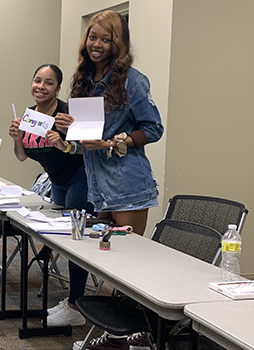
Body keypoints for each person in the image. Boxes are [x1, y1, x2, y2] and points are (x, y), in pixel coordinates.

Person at [65, 10, 164, 350]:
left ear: (117, 44)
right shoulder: (83, 80)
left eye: (106, 39)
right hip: (97, 184)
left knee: (128, 265)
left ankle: (135, 336)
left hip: (128, 186)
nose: (97, 44)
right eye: (93, 37)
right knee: (105, 262)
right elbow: (84, 138)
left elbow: (153, 129)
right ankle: (120, 336)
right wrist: (68, 132)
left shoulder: (134, 81)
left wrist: (111, 142)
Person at [8, 64, 93, 328]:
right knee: (61, 240)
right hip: (57, 182)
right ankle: (72, 302)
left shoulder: (67, 114)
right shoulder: (29, 115)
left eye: (48, 83)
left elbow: (87, 150)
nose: (41, 87)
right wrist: (16, 138)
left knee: (76, 243)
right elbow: (23, 156)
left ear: (57, 87)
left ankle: (76, 305)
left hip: (81, 179)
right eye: (37, 81)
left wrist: (64, 139)